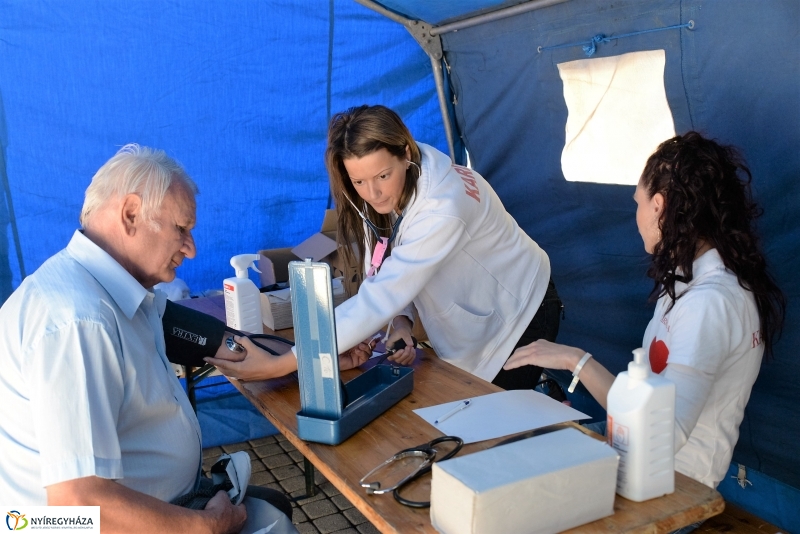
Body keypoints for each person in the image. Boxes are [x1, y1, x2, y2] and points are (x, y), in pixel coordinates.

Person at [0, 144, 293, 533]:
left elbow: (217, 342)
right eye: (181, 229)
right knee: (271, 521)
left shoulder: (118, 290)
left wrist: (303, 357)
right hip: (61, 526)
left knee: (274, 505)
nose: (191, 248)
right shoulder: (78, 323)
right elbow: (77, 504)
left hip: (155, 501)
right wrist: (204, 526)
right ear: (131, 214)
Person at [208, 104, 561, 391]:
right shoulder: (402, 179)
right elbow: (392, 265)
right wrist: (401, 323)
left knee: (493, 430)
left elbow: (380, 294)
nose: (372, 193)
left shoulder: (443, 206)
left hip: (520, 314)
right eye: (358, 181)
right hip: (480, 310)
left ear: (404, 152)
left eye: (382, 176)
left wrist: (280, 364)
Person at [504, 132, 785, 489]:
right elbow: (642, 408)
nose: (635, 215)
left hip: (674, 490)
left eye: (637, 202)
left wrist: (578, 362)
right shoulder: (692, 281)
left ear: (658, 206)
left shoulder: (709, 303)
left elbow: (661, 437)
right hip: (646, 471)